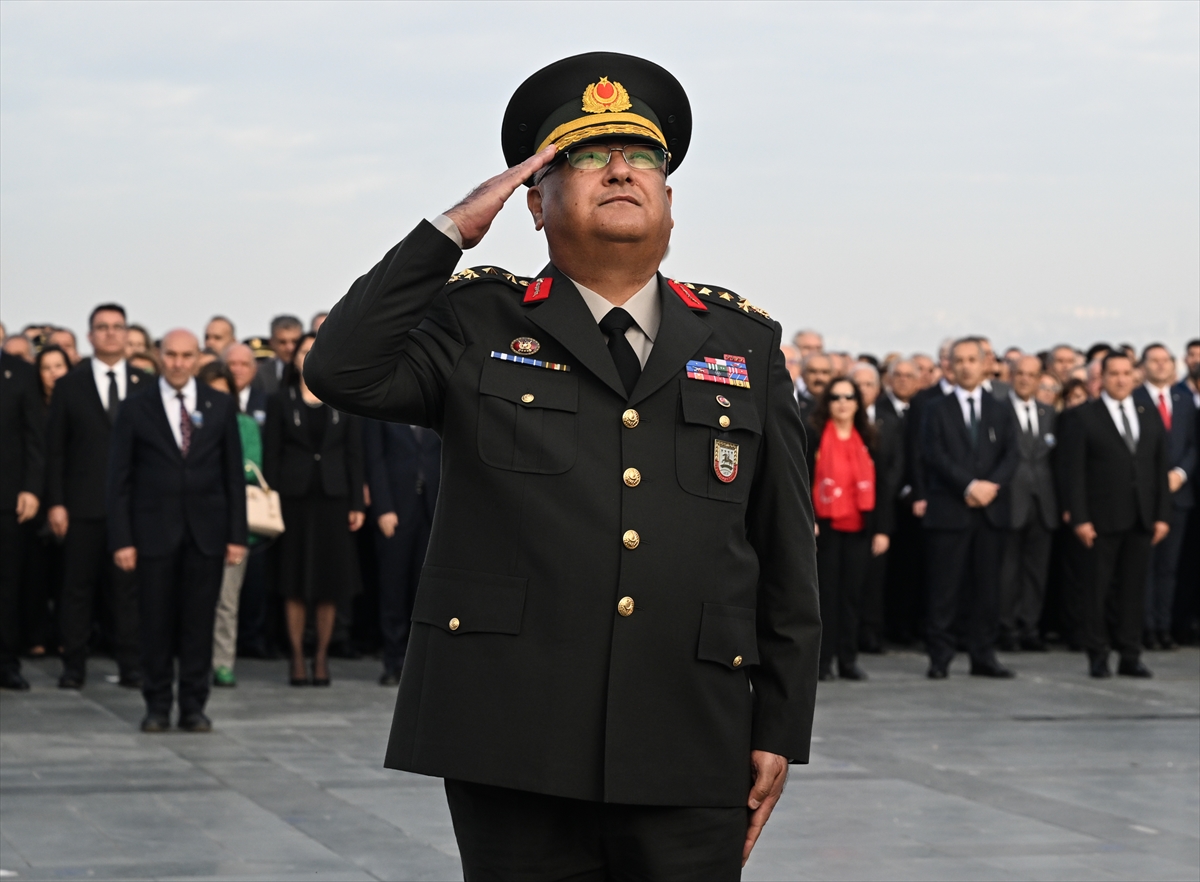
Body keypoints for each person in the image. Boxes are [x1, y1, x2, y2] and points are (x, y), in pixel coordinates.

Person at [304, 51, 819, 879]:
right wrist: (451, 230)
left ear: (671, 203)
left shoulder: (742, 343)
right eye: (585, 157)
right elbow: (342, 369)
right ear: (534, 203)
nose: (619, 169)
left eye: (642, 156)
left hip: (691, 727)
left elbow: (785, 551)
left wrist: (780, 726)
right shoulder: (477, 320)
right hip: (512, 727)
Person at [107, 329, 247, 732]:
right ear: (159, 356)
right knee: (155, 624)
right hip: (153, 534)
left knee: (198, 626)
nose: (178, 363)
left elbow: (233, 475)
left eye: (187, 355)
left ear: (197, 358)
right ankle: (156, 705)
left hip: (207, 534)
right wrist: (122, 539)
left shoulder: (219, 405)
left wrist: (236, 535)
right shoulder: (135, 407)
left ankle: (193, 706)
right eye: (171, 354)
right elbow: (118, 479)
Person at [45, 304, 145, 690]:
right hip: (81, 506)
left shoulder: (144, 383)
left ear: (127, 333)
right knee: (77, 590)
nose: (110, 333)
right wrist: (56, 502)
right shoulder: (70, 385)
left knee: (128, 592)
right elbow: (55, 450)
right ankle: (74, 667)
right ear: (89, 336)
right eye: (102, 327)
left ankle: (131, 666)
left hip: (133, 508)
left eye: (117, 326)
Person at [1060, 352, 1170, 678]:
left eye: (1126, 373)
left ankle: (1130, 654)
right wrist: (1080, 518)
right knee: (1097, 590)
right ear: (1102, 378)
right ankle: (1097, 654)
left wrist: (1162, 515)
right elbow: (1073, 473)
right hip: (1100, 519)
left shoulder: (1147, 412)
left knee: (1133, 591)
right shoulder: (1083, 416)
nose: (1121, 380)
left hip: (1141, 517)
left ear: (1134, 376)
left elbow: (1159, 466)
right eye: (1114, 374)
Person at [263, 333, 365, 687]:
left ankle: (320, 656)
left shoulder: (343, 400)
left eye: (316, 349)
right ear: (294, 358)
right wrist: (272, 501)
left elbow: (354, 454)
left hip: (334, 501)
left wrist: (357, 503)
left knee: (329, 582)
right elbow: (272, 455)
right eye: (304, 350)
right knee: (293, 581)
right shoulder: (280, 401)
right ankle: (296, 657)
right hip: (293, 501)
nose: (309, 355)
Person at [920, 337, 1019, 679]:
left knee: (987, 590)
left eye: (971, 360)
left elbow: (1011, 454)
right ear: (949, 365)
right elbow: (934, 454)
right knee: (944, 590)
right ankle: (940, 657)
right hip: (951, 511)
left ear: (984, 364)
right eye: (958, 360)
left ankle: (983, 655)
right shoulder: (936, 408)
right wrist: (969, 485)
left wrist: (990, 486)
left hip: (990, 513)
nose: (965, 366)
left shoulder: (1001, 408)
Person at [806, 376, 881, 680]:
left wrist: (882, 529)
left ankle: (848, 660)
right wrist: (808, 519)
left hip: (859, 526)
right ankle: (823, 662)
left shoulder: (869, 437)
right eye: (835, 397)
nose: (842, 403)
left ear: (858, 403)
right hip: (825, 527)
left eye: (849, 397)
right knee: (826, 596)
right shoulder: (813, 436)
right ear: (827, 403)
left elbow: (883, 484)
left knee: (852, 596)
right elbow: (803, 479)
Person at [196, 361, 262, 688]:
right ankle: (193, 659)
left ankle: (222, 663)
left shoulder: (245, 424)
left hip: (232, 522)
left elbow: (251, 466)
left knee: (226, 600)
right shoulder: (188, 421)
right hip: (194, 519)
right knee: (194, 598)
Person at [364, 417, 441, 686]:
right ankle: (393, 662)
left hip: (433, 510)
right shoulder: (383, 410)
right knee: (393, 590)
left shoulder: (438, 407)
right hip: (394, 511)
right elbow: (374, 460)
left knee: (426, 592)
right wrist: (383, 507)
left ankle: (420, 665)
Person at [1133, 344, 1195, 650]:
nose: (1160, 365)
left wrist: (1181, 473)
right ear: (1143, 366)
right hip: (1144, 495)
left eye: (1165, 360)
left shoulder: (1184, 400)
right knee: (1144, 565)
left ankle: (1163, 626)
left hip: (1178, 494)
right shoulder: (1134, 399)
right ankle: (1144, 627)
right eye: (1153, 360)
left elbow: (1193, 445)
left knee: (1169, 568)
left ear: (1173, 365)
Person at [998, 355, 1058, 652]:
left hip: (1044, 503)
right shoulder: (998, 410)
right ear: (1011, 376)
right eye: (1020, 373)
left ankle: (1029, 627)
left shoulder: (1050, 413)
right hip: (1009, 501)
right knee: (1007, 571)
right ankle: (1006, 628)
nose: (1025, 379)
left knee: (1036, 570)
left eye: (1031, 375)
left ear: (1039, 379)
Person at [0, 337, 44, 691]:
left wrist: (31, 488)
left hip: (8, 498)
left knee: (7, 585)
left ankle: (5, 662)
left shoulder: (21, 373)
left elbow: (35, 435)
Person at [22, 346, 72, 657]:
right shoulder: (31, 406)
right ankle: (36, 636)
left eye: (59, 366)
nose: (54, 373)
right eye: (46, 367)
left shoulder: (77, 402)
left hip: (70, 498)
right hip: (35, 501)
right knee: (35, 575)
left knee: (68, 575)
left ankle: (67, 635)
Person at [849, 362, 902, 655]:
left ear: (878, 389)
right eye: (857, 384)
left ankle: (870, 633)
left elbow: (895, 467)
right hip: (845, 510)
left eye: (869, 384)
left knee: (875, 578)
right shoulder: (835, 421)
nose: (863, 390)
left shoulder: (889, 422)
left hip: (879, 508)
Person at [253, 315, 304, 396]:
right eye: (282, 342)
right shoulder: (259, 374)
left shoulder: (313, 371)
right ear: (271, 343)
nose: (290, 348)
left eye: (295, 342)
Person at [223, 342, 268, 422]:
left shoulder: (267, 402)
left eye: (244, 364)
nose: (237, 370)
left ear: (254, 370)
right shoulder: (215, 400)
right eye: (232, 364)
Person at [798, 351, 832, 423]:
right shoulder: (794, 403)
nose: (819, 378)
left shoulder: (838, 403)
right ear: (803, 375)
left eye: (825, 372)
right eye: (813, 372)